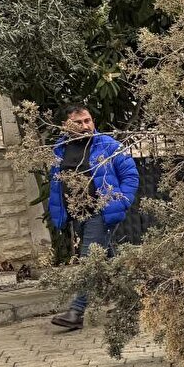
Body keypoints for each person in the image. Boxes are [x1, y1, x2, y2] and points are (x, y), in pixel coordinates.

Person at [48, 105, 139, 330]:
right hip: (78, 213)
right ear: (65, 125)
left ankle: (76, 312)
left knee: (90, 258)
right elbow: (56, 184)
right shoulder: (59, 150)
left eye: (88, 120)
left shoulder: (108, 145)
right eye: (78, 123)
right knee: (108, 259)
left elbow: (130, 175)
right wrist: (61, 213)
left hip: (102, 211)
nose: (85, 126)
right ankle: (133, 301)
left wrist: (121, 202)